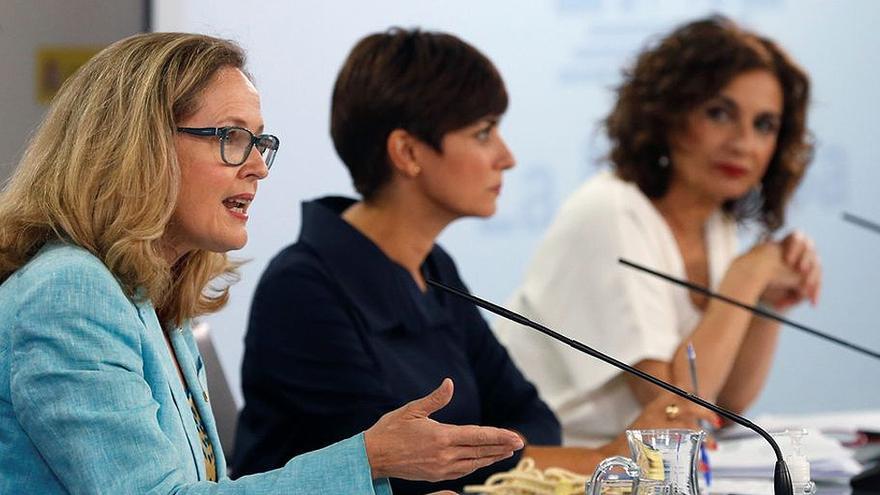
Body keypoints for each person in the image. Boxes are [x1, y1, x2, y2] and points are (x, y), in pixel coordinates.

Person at [0, 32, 526, 494]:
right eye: (231, 137)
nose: (258, 168)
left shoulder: (150, 297)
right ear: (140, 146)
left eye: (260, 142)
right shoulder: (70, 292)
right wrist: (371, 458)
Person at [233, 27, 714, 494]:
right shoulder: (303, 289)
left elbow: (530, 417)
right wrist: (601, 459)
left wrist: (487, 457)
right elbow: (398, 471)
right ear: (407, 152)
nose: (506, 158)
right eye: (483, 133)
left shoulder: (432, 266)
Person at [494, 15, 822, 447]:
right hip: (550, 472)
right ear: (668, 113)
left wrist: (766, 304)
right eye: (719, 113)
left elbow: (725, 402)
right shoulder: (610, 211)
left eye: (764, 125)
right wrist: (747, 277)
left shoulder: (715, 223)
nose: (743, 142)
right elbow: (676, 403)